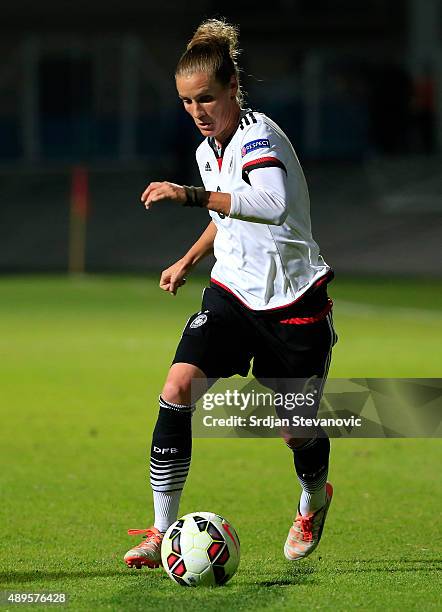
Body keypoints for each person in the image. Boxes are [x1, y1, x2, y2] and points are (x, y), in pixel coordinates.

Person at [124, 18, 337, 569]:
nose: (197, 111)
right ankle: (161, 530)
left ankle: (313, 501)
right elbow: (230, 215)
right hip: (232, 297)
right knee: (176, 389)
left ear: (232, 91)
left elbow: (269, 204)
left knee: (296, 430)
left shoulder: (259, 136)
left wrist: (187, 194)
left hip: (293, 302)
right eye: (187, 102)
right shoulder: (207, 148)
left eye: (207, 99)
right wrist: (190, 259)